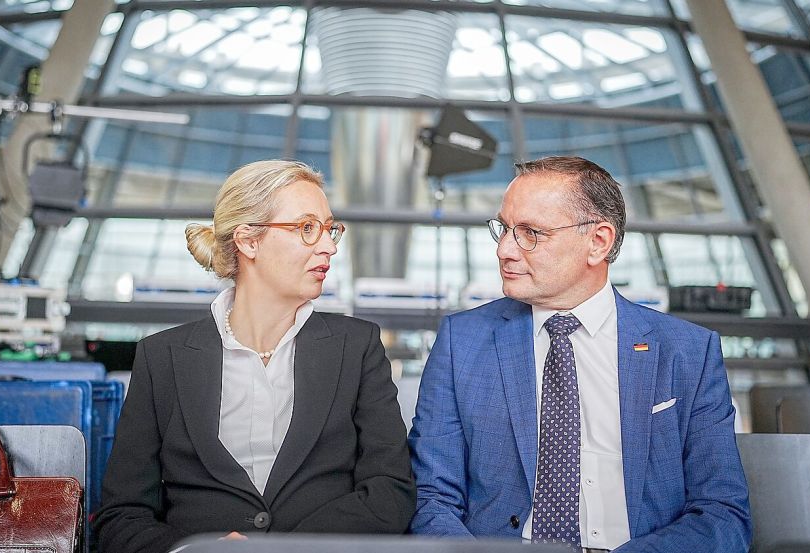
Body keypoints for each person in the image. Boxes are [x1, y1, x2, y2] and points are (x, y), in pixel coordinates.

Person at [408, 156, 750, 552]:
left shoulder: (688, 351)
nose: (504, 250)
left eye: (531, 233)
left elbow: (722, 514)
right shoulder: (461, 342)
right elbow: (430, 498)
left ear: (598, 242)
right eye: (504, 229)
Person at [94, 160, 415, 553]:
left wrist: (283, 550)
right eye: (307, 228)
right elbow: (121, 517)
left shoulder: (357, 346)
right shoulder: (163, 358)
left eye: (331, 229)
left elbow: (390, 493)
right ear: (248, 241)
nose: (329, 245)